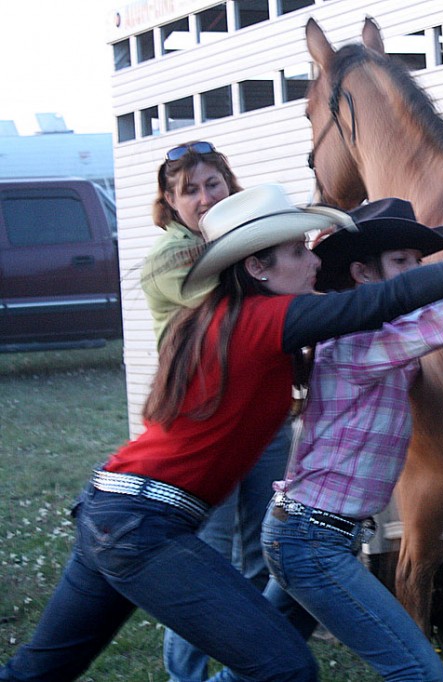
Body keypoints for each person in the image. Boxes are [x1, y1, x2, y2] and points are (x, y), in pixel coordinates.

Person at [0, 183, 443, 682]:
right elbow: (389, 303)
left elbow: (391, 311)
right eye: (295, 252)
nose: (311, 259)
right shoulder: (263, 320)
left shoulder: (230, 322)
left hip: (115, 507)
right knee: (284, 667)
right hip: (144, 524)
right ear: (258, 269)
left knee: (44, 668)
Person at [209, 189, 443, 682]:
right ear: (363, 274)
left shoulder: (375, 332)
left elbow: (436, 312)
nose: (416, 272)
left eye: (419, 260)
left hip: (306, 533)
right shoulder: (361, 341)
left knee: (258, 668)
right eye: (402, 261)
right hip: (311, 539)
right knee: (418, 671)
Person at [140, 140, 291, 682]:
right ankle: (189, 677)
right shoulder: (173, 258)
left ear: (229, 185)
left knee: (262, 558)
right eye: (189, 190)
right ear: (170, 201)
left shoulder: (237, 242)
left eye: (212, 184)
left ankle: (242, 673)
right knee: (206, 566)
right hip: (204, 427)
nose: (204, 197)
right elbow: (245, 306)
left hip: (260, 422)